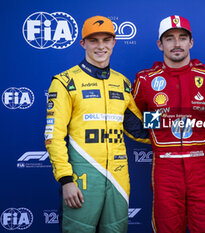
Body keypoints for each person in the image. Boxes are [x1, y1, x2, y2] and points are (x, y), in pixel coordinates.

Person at [44, 15, 149, 233]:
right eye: (94, 40)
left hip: (119, 177)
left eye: (106, 40)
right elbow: (54, 135)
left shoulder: (122, 82)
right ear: (82, 43)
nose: (101, 46)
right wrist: (66, 180)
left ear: (114, 43)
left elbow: (138, 128)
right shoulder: (64, 82)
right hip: (82, 178)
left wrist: (171, 118)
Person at [132, 15, 205, 233]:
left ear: (191, 42)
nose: (177, 44)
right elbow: (135, 119)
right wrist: (161, 127)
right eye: (170, 38)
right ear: (160, 44)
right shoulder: (145, 80)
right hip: (165, 167)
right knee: (167, 228)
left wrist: (201, 123)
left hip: (200, 165)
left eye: (182, 38)